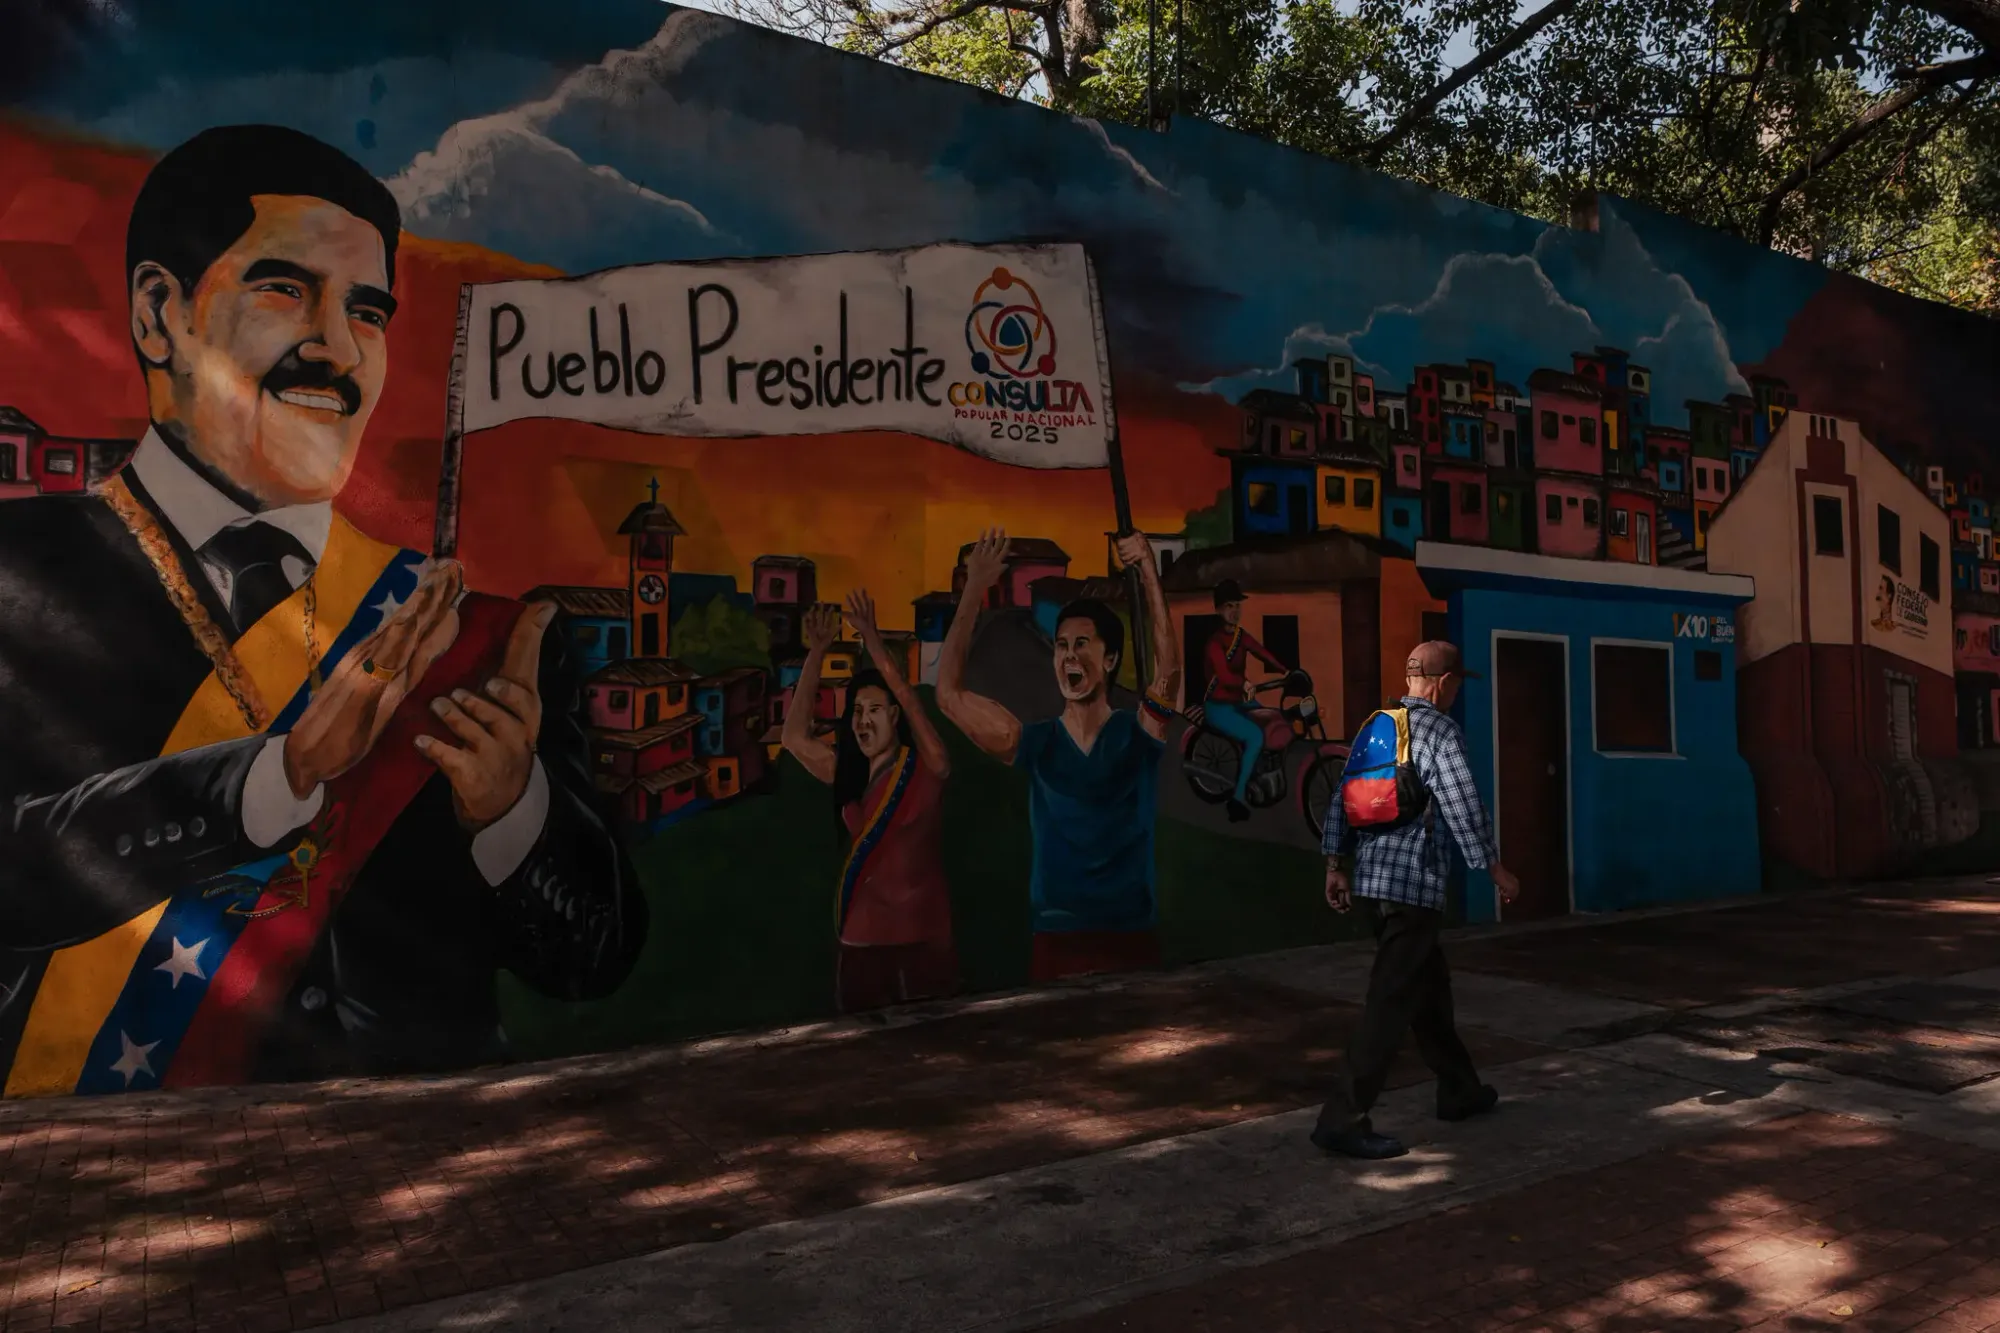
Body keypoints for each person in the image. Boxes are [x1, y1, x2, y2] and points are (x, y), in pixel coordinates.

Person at [0, 125, 644, 1093]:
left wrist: (512, 809)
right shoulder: (19, 571)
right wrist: (281, 772)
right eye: (283, 288)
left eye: (369, 311)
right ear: (159, 312)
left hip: (432, 1166)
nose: (336, 348)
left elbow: (588, 959)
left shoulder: (484, 639)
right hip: (116, 1171)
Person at [936, 527, 1180, 982]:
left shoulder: (1136, 733)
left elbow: (1168, 672)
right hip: (1057, 938)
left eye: (1082, 645)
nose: (1069, 656)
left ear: (1109, 660)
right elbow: (949, 695)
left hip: (1130, 935)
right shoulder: (1035, 742)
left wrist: (1147, 566)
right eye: (1062, 646)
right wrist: (973, 588)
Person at [1311, 640, 1521, 1160]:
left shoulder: (1374, 725)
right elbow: (1461, 803)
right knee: (1389, 1003)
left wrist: (1336, 865)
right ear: (1444, 681)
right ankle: (1343, 1118)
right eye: (1456, 685)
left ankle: (1460, 1090)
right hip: (1413, 888)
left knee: (1429, 992)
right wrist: (1494, 866)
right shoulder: (1439, 731)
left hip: (1372, 887)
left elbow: (1340, 799)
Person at [782, 591, 958, 1012]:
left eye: (875, 709)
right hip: (860, 943)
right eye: (857, 711)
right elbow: (792, 737)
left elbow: (913, 704)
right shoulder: (848, 774)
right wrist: (818, 652)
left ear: (896, 716)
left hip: (922, 938)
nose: (863, 720)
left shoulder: (925, 769)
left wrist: (873, 643)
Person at [1195, 578, 1289, 822]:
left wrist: (1285, 672)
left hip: (1238, 702)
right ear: (1218, 610)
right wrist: (1243, 684)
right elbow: (1224, 676)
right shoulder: (1214, 643)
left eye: (1237, 605)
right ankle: (1236, 800)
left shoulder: (1241, 636)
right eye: (1228, 606)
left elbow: (1261, 651)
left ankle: (1260, 773)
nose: (1234, 611)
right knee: (1255, 736)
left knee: (1272, 720)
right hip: (1218, 705)